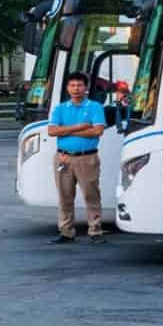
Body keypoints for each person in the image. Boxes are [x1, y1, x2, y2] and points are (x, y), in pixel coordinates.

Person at [48, 71, 108, 243]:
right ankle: (66, 231)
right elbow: (52, 131)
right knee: (65, 196)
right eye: (72, 85)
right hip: (63, 158)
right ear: (67, 88)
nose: (76, 89)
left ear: (86, 88)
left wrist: (66, 130)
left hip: (87, 158)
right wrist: (80, 126)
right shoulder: (60, 108)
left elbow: (97, 131)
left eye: (80, 85)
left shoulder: (95, 107)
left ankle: (95, 231)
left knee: (91, 195)